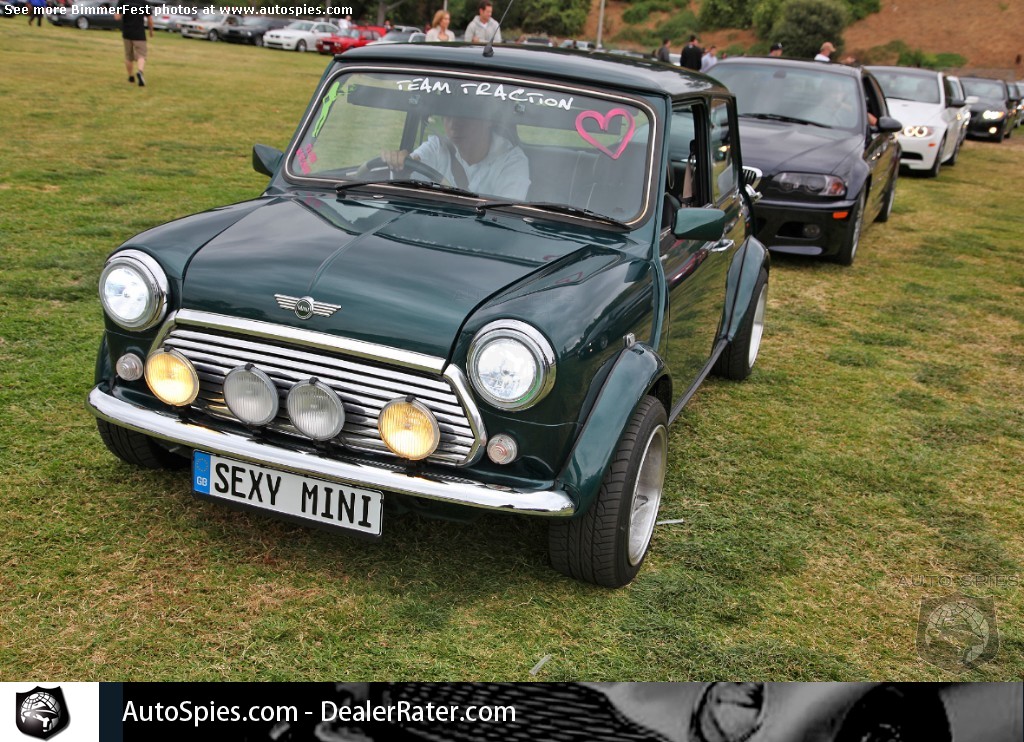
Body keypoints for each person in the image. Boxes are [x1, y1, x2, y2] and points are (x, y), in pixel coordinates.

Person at [371, 115, 530, 199]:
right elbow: (412, 170)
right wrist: (400, 168)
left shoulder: (512, 161)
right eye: (448, 116)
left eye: (464, 116)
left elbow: (506, 218)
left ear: (488, 120)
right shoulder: (437, 147)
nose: (453, 125)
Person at [115, 1, 153, 87]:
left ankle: (131, 77)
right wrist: (151, 31)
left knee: (129, 56)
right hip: (139, 33)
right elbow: (150, 19)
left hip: (127, 33)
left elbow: (117, 17)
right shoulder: (143, 2)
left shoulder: (123, 1)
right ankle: (140, 71)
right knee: (141, 55)